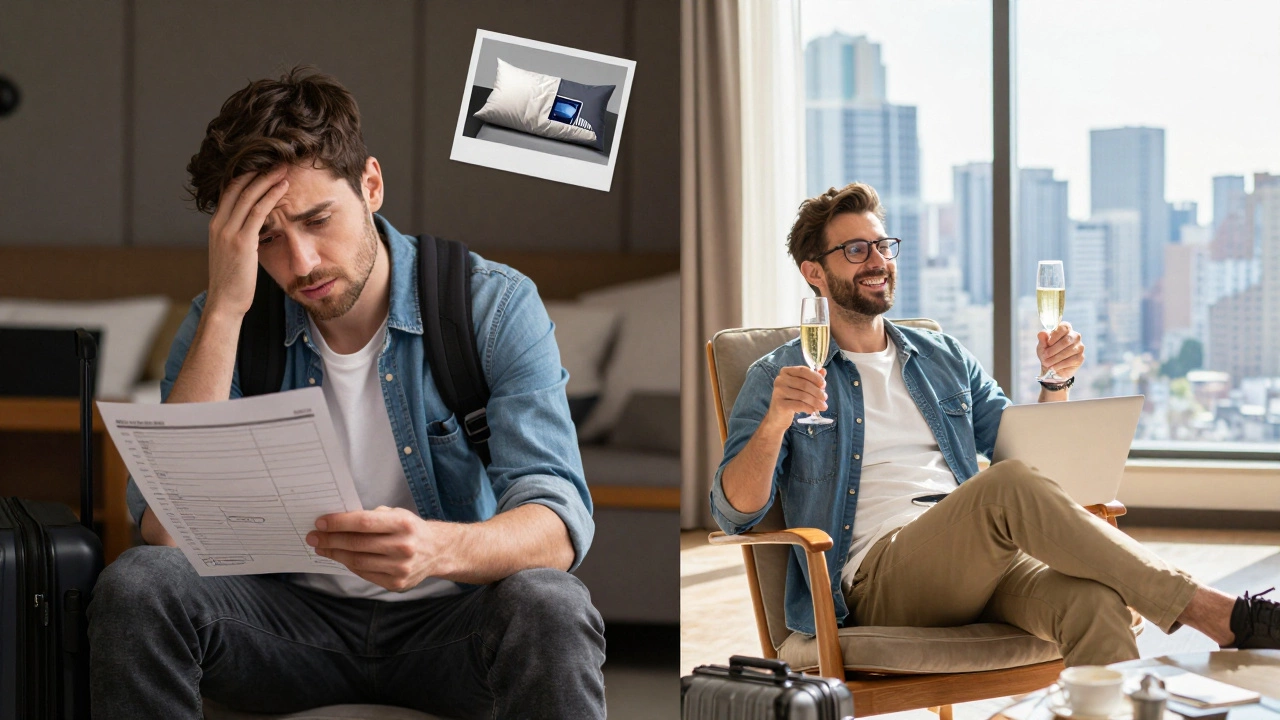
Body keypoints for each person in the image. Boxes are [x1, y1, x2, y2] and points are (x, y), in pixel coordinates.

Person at [87, 67, 605, 719]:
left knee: (551, 603)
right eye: (266, 238)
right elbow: (166, 530)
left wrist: (435, 549)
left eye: (317, 219)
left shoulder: (491, 306)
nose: (300, 262)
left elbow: (556, 524)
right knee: (139, 584)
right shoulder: (223, 320)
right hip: (283, 629)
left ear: (371, 185)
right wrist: (225, 308)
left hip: (450, 626)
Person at [712, 182, 1280, 666]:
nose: (878, 261)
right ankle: (1216, 613)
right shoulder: (779, 376)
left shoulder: (941, 356)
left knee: (1096, 606)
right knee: (1003, 485)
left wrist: (1055, 380)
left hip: (980, 555)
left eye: (883, 245)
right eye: (856, 250)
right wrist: (775, 423)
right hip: (880, 578)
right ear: (814, 272)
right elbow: (733, 512)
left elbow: (1026, 455)